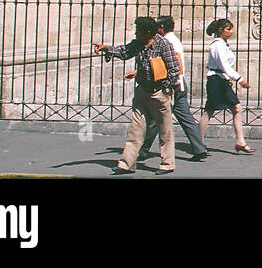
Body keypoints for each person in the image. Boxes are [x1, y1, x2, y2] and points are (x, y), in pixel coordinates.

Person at [92, 16, 181, 174]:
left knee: (165, 131)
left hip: (159, 92)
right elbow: (124, 51)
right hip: (142, 92)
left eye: (138, 30)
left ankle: (168, 164)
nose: (136, 33)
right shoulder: (139, 43)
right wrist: (106, 48)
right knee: (136, 129)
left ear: (148, 32)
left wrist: (167, 90)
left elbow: (174, 69)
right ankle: (126, 164)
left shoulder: (163, 45)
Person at [137, 15, 207, 162]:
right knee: (185, 118)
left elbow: (164, 66)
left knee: (156, 119)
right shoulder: (175, 40)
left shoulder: (166, 42)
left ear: (161, 28)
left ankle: (143, 151)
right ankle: (199, 149)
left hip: (171, 86)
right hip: (180, 84)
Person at [198, 18, 253, 154]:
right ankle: (198, 142)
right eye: (228, 29)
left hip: (221, 78)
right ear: (220, 30)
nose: (231, 31)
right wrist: (240, 79)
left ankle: (240, 141)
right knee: (210, 110)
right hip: (216, 80)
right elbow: (224, 64)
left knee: (235, 108)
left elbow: (225, 66)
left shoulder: (222, 44)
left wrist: (228, 78)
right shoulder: (217, 45)